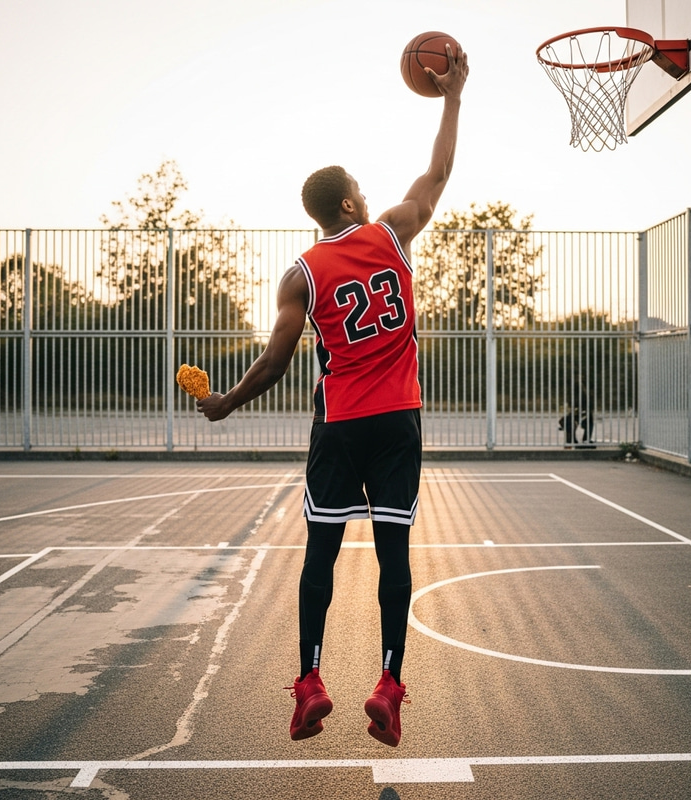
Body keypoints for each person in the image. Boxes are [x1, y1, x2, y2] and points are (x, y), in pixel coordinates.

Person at [197, 44, 469, 747]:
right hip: (398, 423)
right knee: (394, 555)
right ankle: (387, 685)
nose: (371, 197)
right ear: (351, 202)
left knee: (319, 553)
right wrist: (453, 96)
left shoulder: (302, 274)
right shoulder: (393, 233)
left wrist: (226, 401)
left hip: (340, 424)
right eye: (362, 189)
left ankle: (311, 682)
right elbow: (438, 174)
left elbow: (275, 363)